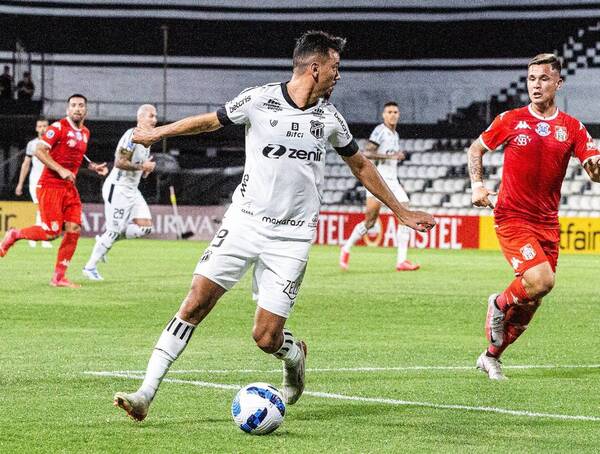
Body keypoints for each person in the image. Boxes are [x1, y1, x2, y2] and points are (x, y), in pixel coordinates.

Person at [112, 30, 436, 422]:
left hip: (292, 237)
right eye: (335, 68)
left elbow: (361, 165)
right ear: (314, 68)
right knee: (195, 302)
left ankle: (294, 356)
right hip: (244, 224)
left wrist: (399, 209)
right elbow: (210, 122)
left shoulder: (329, 119)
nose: (339, 75)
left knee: (265, 337)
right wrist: (159, 133)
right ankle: (146, 392)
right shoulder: (258, 99)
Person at [468, 54, 600, 380]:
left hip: (547, 223)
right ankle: (498, 303)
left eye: (543, 78)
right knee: (542, 280)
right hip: (513, 217)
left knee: (534, 298)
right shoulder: (511, 119)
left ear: (558, 83)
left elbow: (593, 169)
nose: (536, 85)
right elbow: (476, 149)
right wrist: (478, 186)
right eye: (531, 79)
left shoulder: (572, 128)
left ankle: (491, 355)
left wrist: (597, 171)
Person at [0, 94, 108, 288]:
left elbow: (76, 153)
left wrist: (92, 166)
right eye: (73, 105)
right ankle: (15, 234)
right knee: (51, 232)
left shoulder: (85, 132)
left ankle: (59, 277)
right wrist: (60, 169)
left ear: (86, 110)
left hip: (69, 188)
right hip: (50, 185)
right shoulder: (57, 128)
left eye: (81, 105)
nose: (77, 108)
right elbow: (40, 150)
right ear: (67, 110)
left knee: (74, 228)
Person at [339, 102, 420, 271]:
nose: (393, 115)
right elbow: (367, 153)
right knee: (370, 221)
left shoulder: (395, 134)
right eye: (389, 112)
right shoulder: (380, 131)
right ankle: (346, 248)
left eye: (395, 112)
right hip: (378, 181)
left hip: (393, 182)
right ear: (384, 115)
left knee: (405, 213)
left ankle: (401, 261)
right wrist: (391, 157)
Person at [82, 104, 157, 281]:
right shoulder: (132, 136)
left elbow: (138, 166)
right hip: (118, 188)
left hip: (132, 189)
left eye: (155, 116)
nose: (155, 120)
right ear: (140, 118)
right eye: (151, 116)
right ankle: (89, 267)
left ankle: (104, 240)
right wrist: (142, 166)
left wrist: (144, 170)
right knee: (114, 230)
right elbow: (119, 162)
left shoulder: (148, 140)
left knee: (145, 228)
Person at [15, 117, 53, 248]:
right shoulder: (32, 144)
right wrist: (20, 183)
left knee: (45, 209)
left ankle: (34, 236)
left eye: (45, 126)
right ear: (37, 128)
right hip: (36, 181)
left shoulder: (53, 143)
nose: (43, 129)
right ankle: (41, 238)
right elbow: (26, 164)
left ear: (49, 128)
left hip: (50, 182)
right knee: (42, 209)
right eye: (40, 126)